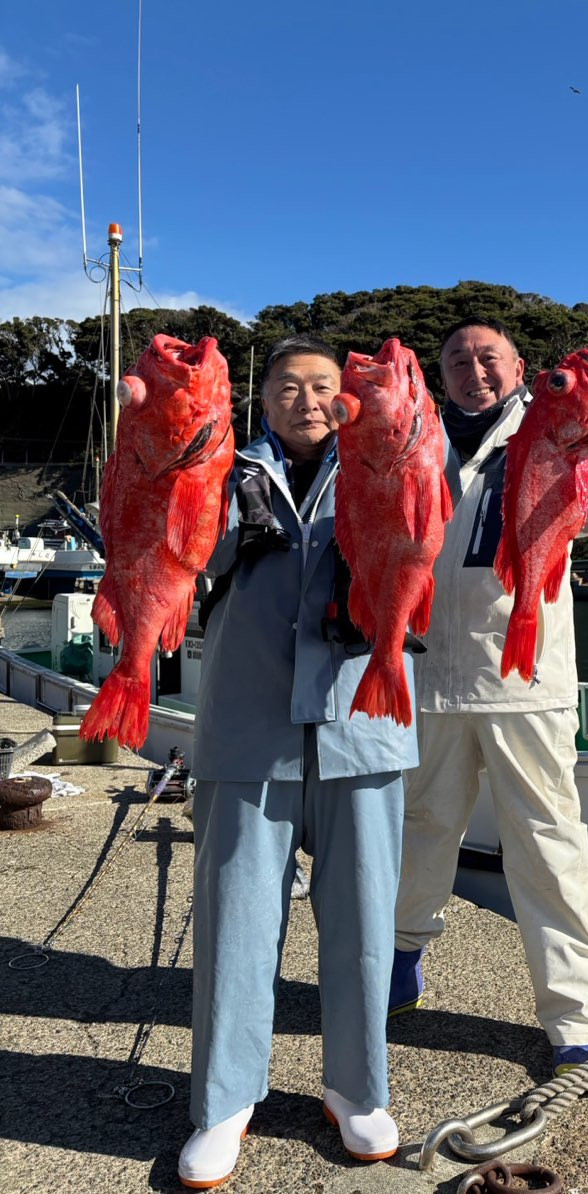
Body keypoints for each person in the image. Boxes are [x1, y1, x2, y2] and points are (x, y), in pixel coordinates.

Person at [179, 335, 419, 1188]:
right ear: (261, 398)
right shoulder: (216, 462)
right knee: (236, 918)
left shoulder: (393, 454)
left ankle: (357, 1091)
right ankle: (224, 1099)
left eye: (323, 385)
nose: (308, 400)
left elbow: (458, 514)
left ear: (348, 396)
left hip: (366, 719)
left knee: (362, 918)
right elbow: (173, 549)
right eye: (289, 386)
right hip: (246, 727)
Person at [391, 317, 588, 1076]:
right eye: (457, 358)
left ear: (517, 365)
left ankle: (574, 1020)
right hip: (426, 673)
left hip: (527, 677)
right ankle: (399, 961)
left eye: (488, 357)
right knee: (418, 830)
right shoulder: (415, 433)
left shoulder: (551, 426)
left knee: (549, 849)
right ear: (440, 373)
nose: (474, 370)